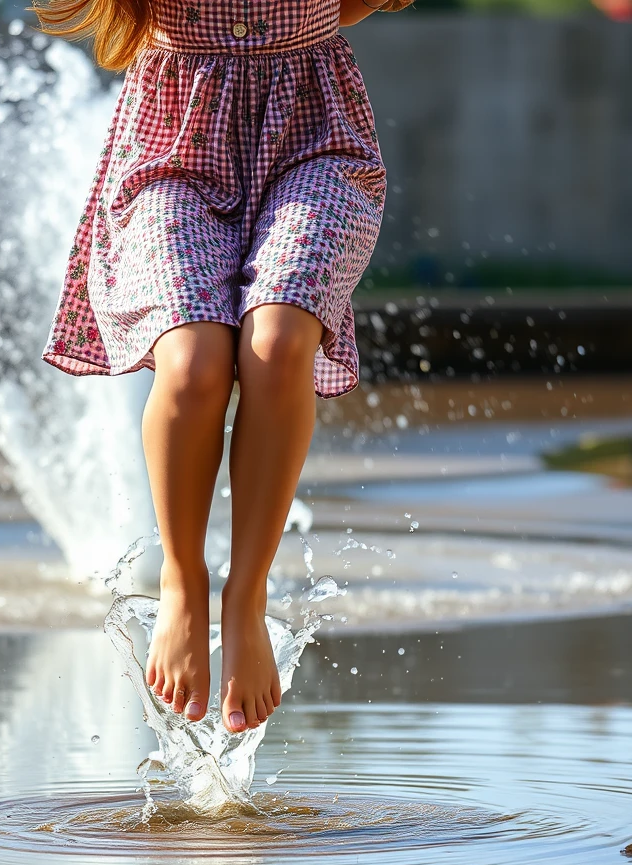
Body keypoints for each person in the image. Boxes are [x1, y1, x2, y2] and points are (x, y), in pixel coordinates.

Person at [36, 0, 402, 734]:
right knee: (197, 362)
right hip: (174, 144)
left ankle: (247, 598)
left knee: (275, 345)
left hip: (316, 137)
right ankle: (182, 581)